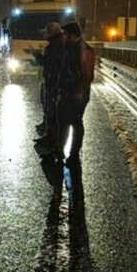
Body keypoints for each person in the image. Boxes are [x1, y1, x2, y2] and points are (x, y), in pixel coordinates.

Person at [57, 22, 95, 165]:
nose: (63, 37)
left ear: (72, 35)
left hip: (78, 93)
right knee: (65, 121)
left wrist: (79, 92)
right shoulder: (70, 47)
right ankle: (61, 150)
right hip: (68, 91)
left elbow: (87, 75)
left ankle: (73, 153)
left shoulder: (84, 50)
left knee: (75, 122)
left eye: (65, 34)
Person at [33, 22, 65, 153]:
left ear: (51, 32)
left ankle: (54, 142)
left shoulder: (56, 45)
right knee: (50, 111)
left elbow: (50, 63)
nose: (45, 34)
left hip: (54, 84)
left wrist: (38, 56)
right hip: (52, 82)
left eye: (46, 32)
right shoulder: (57, 43)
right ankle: (51, 139)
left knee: (53, 113)